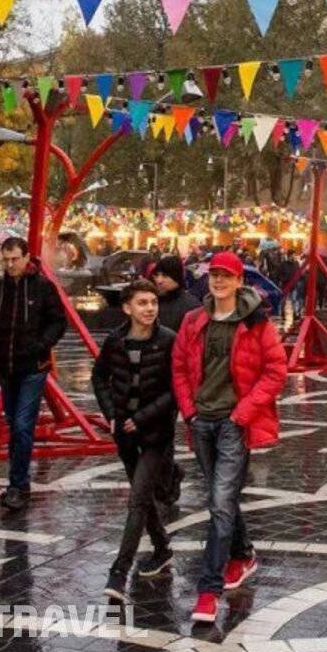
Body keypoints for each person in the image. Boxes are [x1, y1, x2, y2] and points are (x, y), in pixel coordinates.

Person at [170, 250, 288, 624]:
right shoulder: (194, 320)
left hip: (234, 424)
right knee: (224, 498)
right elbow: (179, 367)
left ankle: (209, 590)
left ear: (240, 281)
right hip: (202, 422)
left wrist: (242, 414)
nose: (218, 281)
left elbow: (276, 370)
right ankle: (244, 554)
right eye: (213, 275)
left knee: (220, 502)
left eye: (225, 276)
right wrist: (189, 410)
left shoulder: (256, 322)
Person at [92, 280, 178, 602]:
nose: (150, 309)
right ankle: (162, 548)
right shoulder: (115, 341)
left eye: (153, 302)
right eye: (142, 303)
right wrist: (111, 413)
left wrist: (141, 418)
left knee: (138, 498)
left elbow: (175, 390)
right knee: (141, 498)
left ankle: (119, 571)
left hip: (156, 433)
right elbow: (98, 376)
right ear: (127, 308)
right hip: (123, 433)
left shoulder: (169, 340)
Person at [0, 237, 68, 512]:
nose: (10, 265)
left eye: (14, 259)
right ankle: (18, 483)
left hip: (32, 367)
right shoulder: (1, 288)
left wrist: (40, 346)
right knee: (14, 426)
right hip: (7, 367)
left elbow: (59, 321)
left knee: (22, 425)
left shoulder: (43, 287)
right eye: (5, 260)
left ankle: (17, 484)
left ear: (26, 257)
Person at [152, 255, 201, 333]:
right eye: (156, 275)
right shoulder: (151, 301)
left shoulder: (191, 306)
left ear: (177, 277)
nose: (159, 280)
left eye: (165, 276)